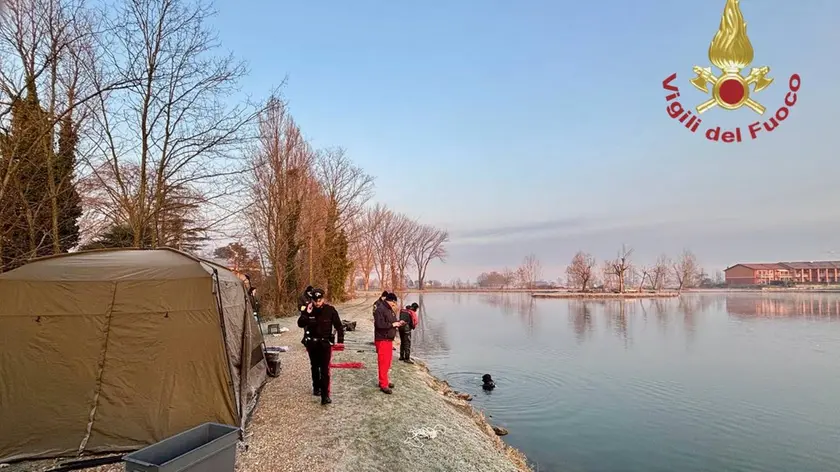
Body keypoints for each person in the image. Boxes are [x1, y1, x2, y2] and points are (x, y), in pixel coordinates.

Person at [297, 288, 344, 405]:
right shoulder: (308, 310)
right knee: (314, 367)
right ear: (312, 300)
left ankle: (325, 395)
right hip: (312, 343)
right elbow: (300, 324)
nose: (317, 303)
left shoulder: (330, 310)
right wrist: (306, 313)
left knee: (324, 369)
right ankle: (316, 387)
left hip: (325, 344)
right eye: (315, 300)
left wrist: (340, 341)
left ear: (323, 299)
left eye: (319, 300)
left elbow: (339, 326)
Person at [373, 292, 405, 394]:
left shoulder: (389, 309)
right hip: (382, 339)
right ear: (391, 301)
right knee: (383, 362)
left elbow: (392, 322)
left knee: (388, 362)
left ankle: (385, 380)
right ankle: (383, 384)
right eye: (394, 303)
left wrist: (398, 323)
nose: (394, 305)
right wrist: (393, 324)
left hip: (388, 339)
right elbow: (379, 324)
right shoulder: (380, 309)